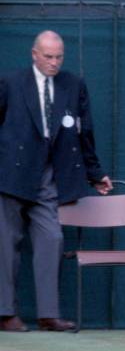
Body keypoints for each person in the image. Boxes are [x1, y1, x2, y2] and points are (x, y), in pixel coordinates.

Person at [0, 30, 113, 332]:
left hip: (49, 176)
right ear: (34, 54)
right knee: (5, 243)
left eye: (59, 57)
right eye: (48, 57)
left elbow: (84, 132)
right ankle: (6, 313)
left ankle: (48, 315)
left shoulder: (73, 85)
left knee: (52, 239)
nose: (54, 62)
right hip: (11, 174)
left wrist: (95, 172)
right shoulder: (10, 83)